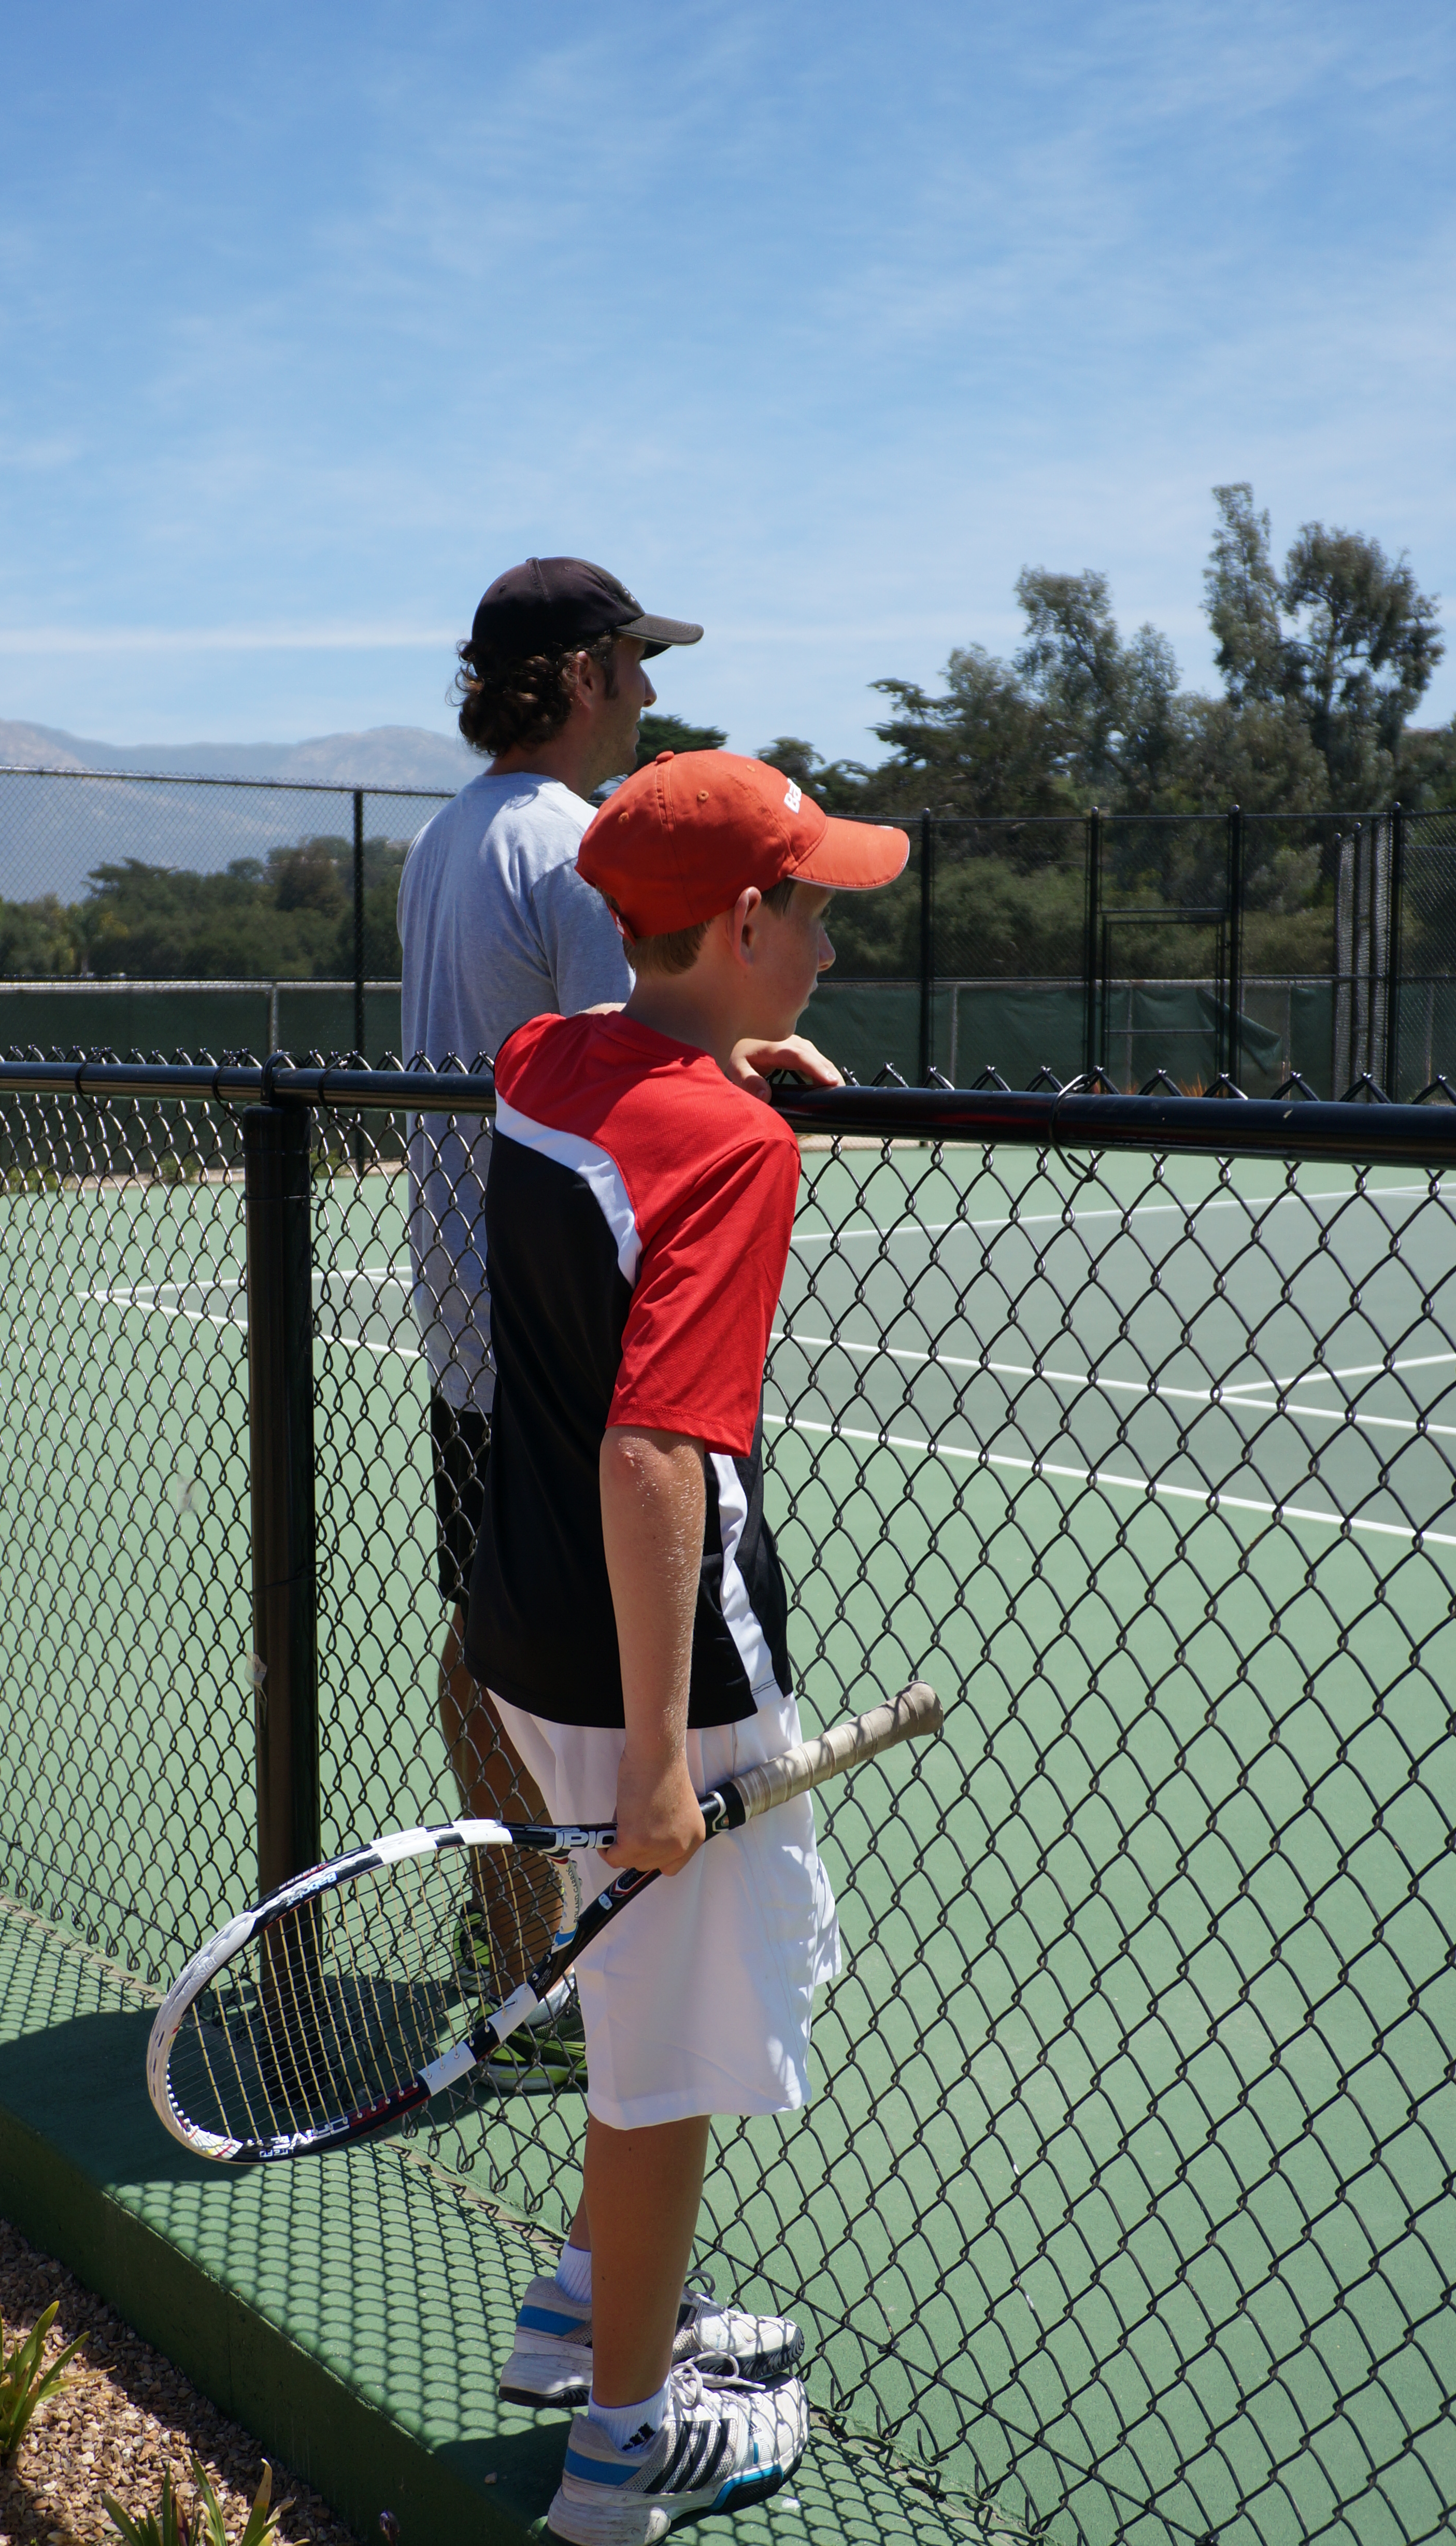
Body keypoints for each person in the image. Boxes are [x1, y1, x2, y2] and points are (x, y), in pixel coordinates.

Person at [467, 749, 909, 2542]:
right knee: (664, 2071)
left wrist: (715, 1048)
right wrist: (665, 1751)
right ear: (737, 924)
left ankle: (586, 2311)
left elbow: (610, 1050)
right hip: (658, 1667)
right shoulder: (731, 1152)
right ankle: (621, 2456)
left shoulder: (542, 1059)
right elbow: (657, 1448)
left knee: (636, 2008)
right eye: (809, 912)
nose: (829, 946)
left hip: (523, 1624)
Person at [396, 559, 839, 2080]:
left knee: (491, 1626)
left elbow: (570, 1046)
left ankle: (520, 1936)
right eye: (634, 662)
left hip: (475, 1306)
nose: (649, 690)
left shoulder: (449, 834)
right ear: (581, 674)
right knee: (584, 1650)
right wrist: (745, 1064)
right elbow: (650, 1055)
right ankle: (564, 1961)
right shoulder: (568, 845)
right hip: (574, 1323)